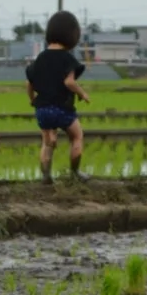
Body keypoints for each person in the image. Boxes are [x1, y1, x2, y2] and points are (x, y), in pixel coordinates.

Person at [27, 10, 92, 184]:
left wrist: (32, 99)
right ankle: (75, 172)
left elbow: (30, 83)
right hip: (63, 109)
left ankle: (46, 176)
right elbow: (69, 83)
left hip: (43, 109)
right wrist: (82, 93)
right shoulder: (67, 59)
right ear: (72, 35)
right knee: (77, 136)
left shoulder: (39, 59)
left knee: (47, 142)